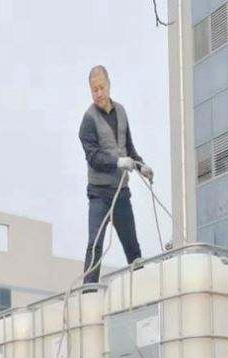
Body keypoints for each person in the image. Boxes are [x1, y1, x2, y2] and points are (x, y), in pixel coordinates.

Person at [79, 64, 154, 284]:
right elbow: (94, 158)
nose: (98, 93)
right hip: (99, 194)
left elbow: (128, 148)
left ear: (109, 85)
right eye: (94, 89)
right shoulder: (88, 121)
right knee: (95, 245)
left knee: (132, 246)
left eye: (101, 87)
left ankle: (141, 287)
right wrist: (118, 161)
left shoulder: (121, 111)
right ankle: (89, 292)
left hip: (121, 192)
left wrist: (141, 166)